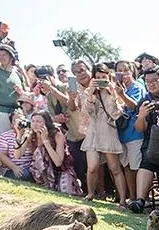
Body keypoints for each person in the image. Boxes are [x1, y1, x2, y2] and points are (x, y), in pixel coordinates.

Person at [80, 63, 129, 205]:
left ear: (109, 77)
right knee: (92, 167)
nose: (101, 80)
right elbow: (87, 112)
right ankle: (90, 194)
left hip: (108, 131)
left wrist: (112, 93)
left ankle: (122, 200)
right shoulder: (88, 92)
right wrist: (90, 93)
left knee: (115, 168)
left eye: (104, 77)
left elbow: (117, 114)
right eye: (98, 78)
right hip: (93, 132)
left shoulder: (113, 91)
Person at [127, 65, 159, 213]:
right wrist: (142, 115)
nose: (151, 84)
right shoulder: (145, 100)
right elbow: (140, 128)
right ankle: (140, 201)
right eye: (148, 81)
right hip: (151, 141)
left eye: (155, 80)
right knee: (147, 162)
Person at [15, 110, 80, 195]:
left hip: (61, 169)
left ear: (46, 123)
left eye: (38, 121)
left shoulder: (57, 135)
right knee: (39, 151)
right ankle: (46, 184)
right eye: (33, 121)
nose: (35, 124)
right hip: (44, 172)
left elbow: (58, 162)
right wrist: (19, 135)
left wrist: (45, 141)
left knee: (67, 192)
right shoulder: (31, 135)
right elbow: (17, 155)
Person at [115, 60, 146, 202]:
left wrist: (121, 95)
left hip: (135, 134)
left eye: (125, 70)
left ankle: (140, 199)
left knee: (136, 168)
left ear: (132, 72)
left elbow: (135, 106)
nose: (122, 74)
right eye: (119, 70)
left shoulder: (137, 87)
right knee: (126, 167)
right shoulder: (114, 88)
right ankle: (132, 198)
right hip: (121, 135)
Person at [65, 59, 90, 190]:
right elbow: (72, 107)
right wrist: (71, 98)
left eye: (81, 70)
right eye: (76, 72)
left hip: (103, 129)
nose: (80, 74)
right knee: (87, 164)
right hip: (82, 132)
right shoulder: (73, 88)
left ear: (88, 68)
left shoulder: (97, 82)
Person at [0, 109, 33, 180]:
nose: (19, 123)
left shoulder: (31, 134)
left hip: (29, 167)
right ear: (11, 124)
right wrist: (13, 167)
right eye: (16, 121)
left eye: (21, 120)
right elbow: (1, 154)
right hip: (11, 168)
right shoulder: (5, 136)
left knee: (27, 174)